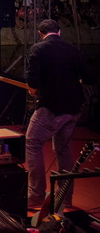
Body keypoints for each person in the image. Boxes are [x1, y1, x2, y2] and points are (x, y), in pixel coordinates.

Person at [25, 19, 96, 211]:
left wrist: (34, 90)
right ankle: (65, 199)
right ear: (59, 32)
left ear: (41, 33)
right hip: (74, 108)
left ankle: (36, 195)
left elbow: (33, 83)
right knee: (63, 151)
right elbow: (91, 77)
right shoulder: (73, 50)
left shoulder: (38, 50)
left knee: (32, 142)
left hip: (52, 107)